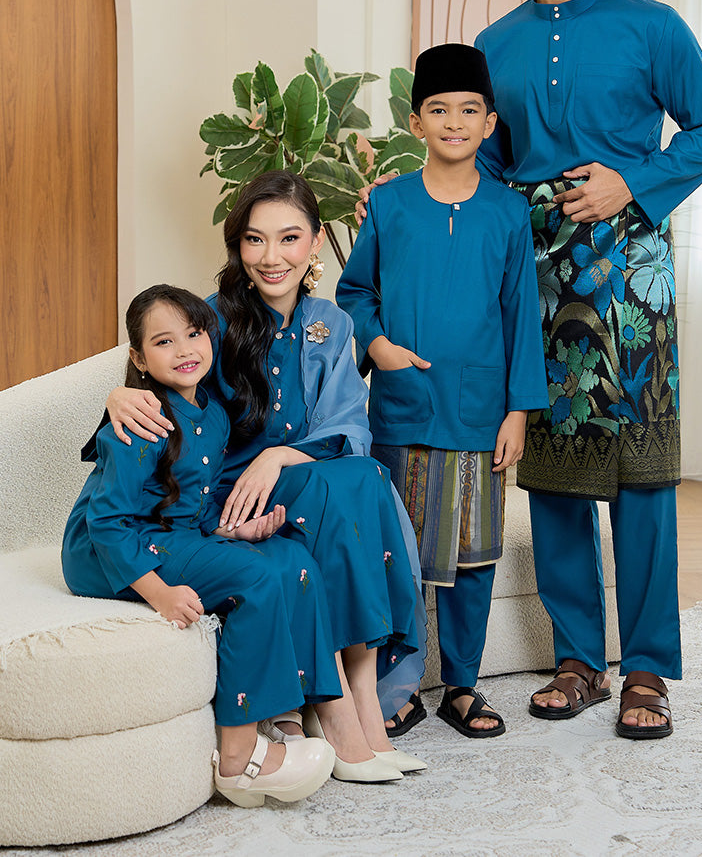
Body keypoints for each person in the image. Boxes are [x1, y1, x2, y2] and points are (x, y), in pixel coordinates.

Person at [473, 0, 702, 738]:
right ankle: (581, 660)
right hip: (541, 271)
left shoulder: (649, 23)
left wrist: (634, 183)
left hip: (633, 274)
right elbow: (491, 162)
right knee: (551, 471)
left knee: (643, 474)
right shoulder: (494, 45)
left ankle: (650, 669)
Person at [100, 173, 426, 778]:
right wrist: (119, 396)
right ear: (238, 246)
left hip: (300, 480)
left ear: (316, 242)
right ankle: (343, 719)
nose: (271, 257)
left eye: (289, 238)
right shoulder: (214, 320)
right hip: (225, 496)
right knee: (345, 484)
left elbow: (349, 427)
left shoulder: (333, 323)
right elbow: (158, 383)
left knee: (357, 476)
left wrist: (277, 455)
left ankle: (359, 703)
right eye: (255, 240)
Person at [337, 43, 548, 738]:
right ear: (416, 119)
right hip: (402, 409)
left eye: (468, 110)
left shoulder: (507, 214)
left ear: (489, 123)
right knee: (401, 552)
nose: (453, 122)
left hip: (482, 414)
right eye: (438, 110)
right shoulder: (390, 205)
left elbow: (521, 318)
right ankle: (398, 687)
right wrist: (378, 347)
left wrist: (518, 409)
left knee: (474, 554)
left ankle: (462, 685)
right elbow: (355, 289)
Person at [62, 284, 337, 807]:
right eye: (164, 342)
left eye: (194, 334)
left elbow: (194, 500)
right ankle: (238, 759)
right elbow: (106, 522)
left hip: (174, 534)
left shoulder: (212, 411)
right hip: (110, 552)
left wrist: (231, 533)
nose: (185, 349)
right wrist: (158, 593)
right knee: (254, 578)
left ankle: (286, 712)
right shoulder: (140, 421)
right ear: (139, 358)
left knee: (292, 558)